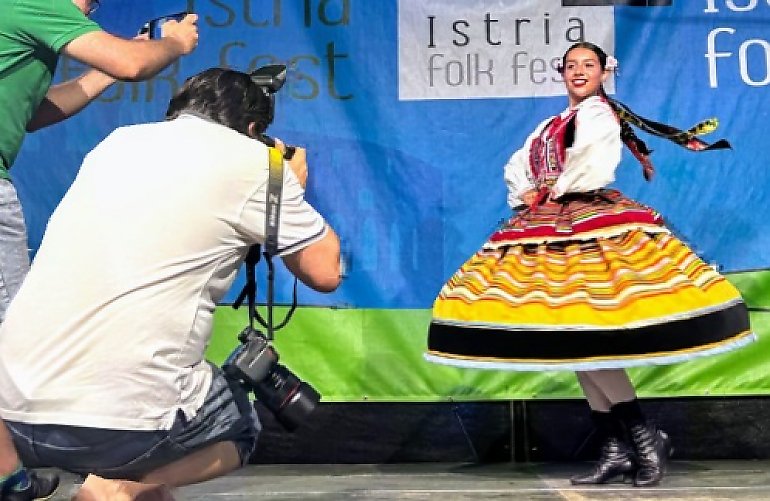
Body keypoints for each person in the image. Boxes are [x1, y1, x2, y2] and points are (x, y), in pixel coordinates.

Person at [0, 67, 341, 500]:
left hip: (12, 418)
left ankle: (126, 487)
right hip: (120, 426)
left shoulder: (116, 143)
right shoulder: (258, 164)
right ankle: (117, 488)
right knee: (239, 426)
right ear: (253, 129)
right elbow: (324, 272)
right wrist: (289, 185)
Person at [425, 42, 755, 488]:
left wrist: (551, 191)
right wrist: (528, 191)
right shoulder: (551, 124)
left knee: (589, 334)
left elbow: (588, 165)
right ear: (561, 72)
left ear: (604, 73)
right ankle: (618, 447)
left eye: (589, 65)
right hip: (550, 222)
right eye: (572, 66)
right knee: (574, 337)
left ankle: (644, 439)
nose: (579, 72)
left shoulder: (599, 114)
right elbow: (518, 164)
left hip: (586, 222)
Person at [0, 2, 199, 498]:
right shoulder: (33, 2)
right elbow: (133, 64)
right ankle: (11, 476)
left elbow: (33, 112)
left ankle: (7, 475)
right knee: (13, 339)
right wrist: (173, 43)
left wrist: (103, 73)